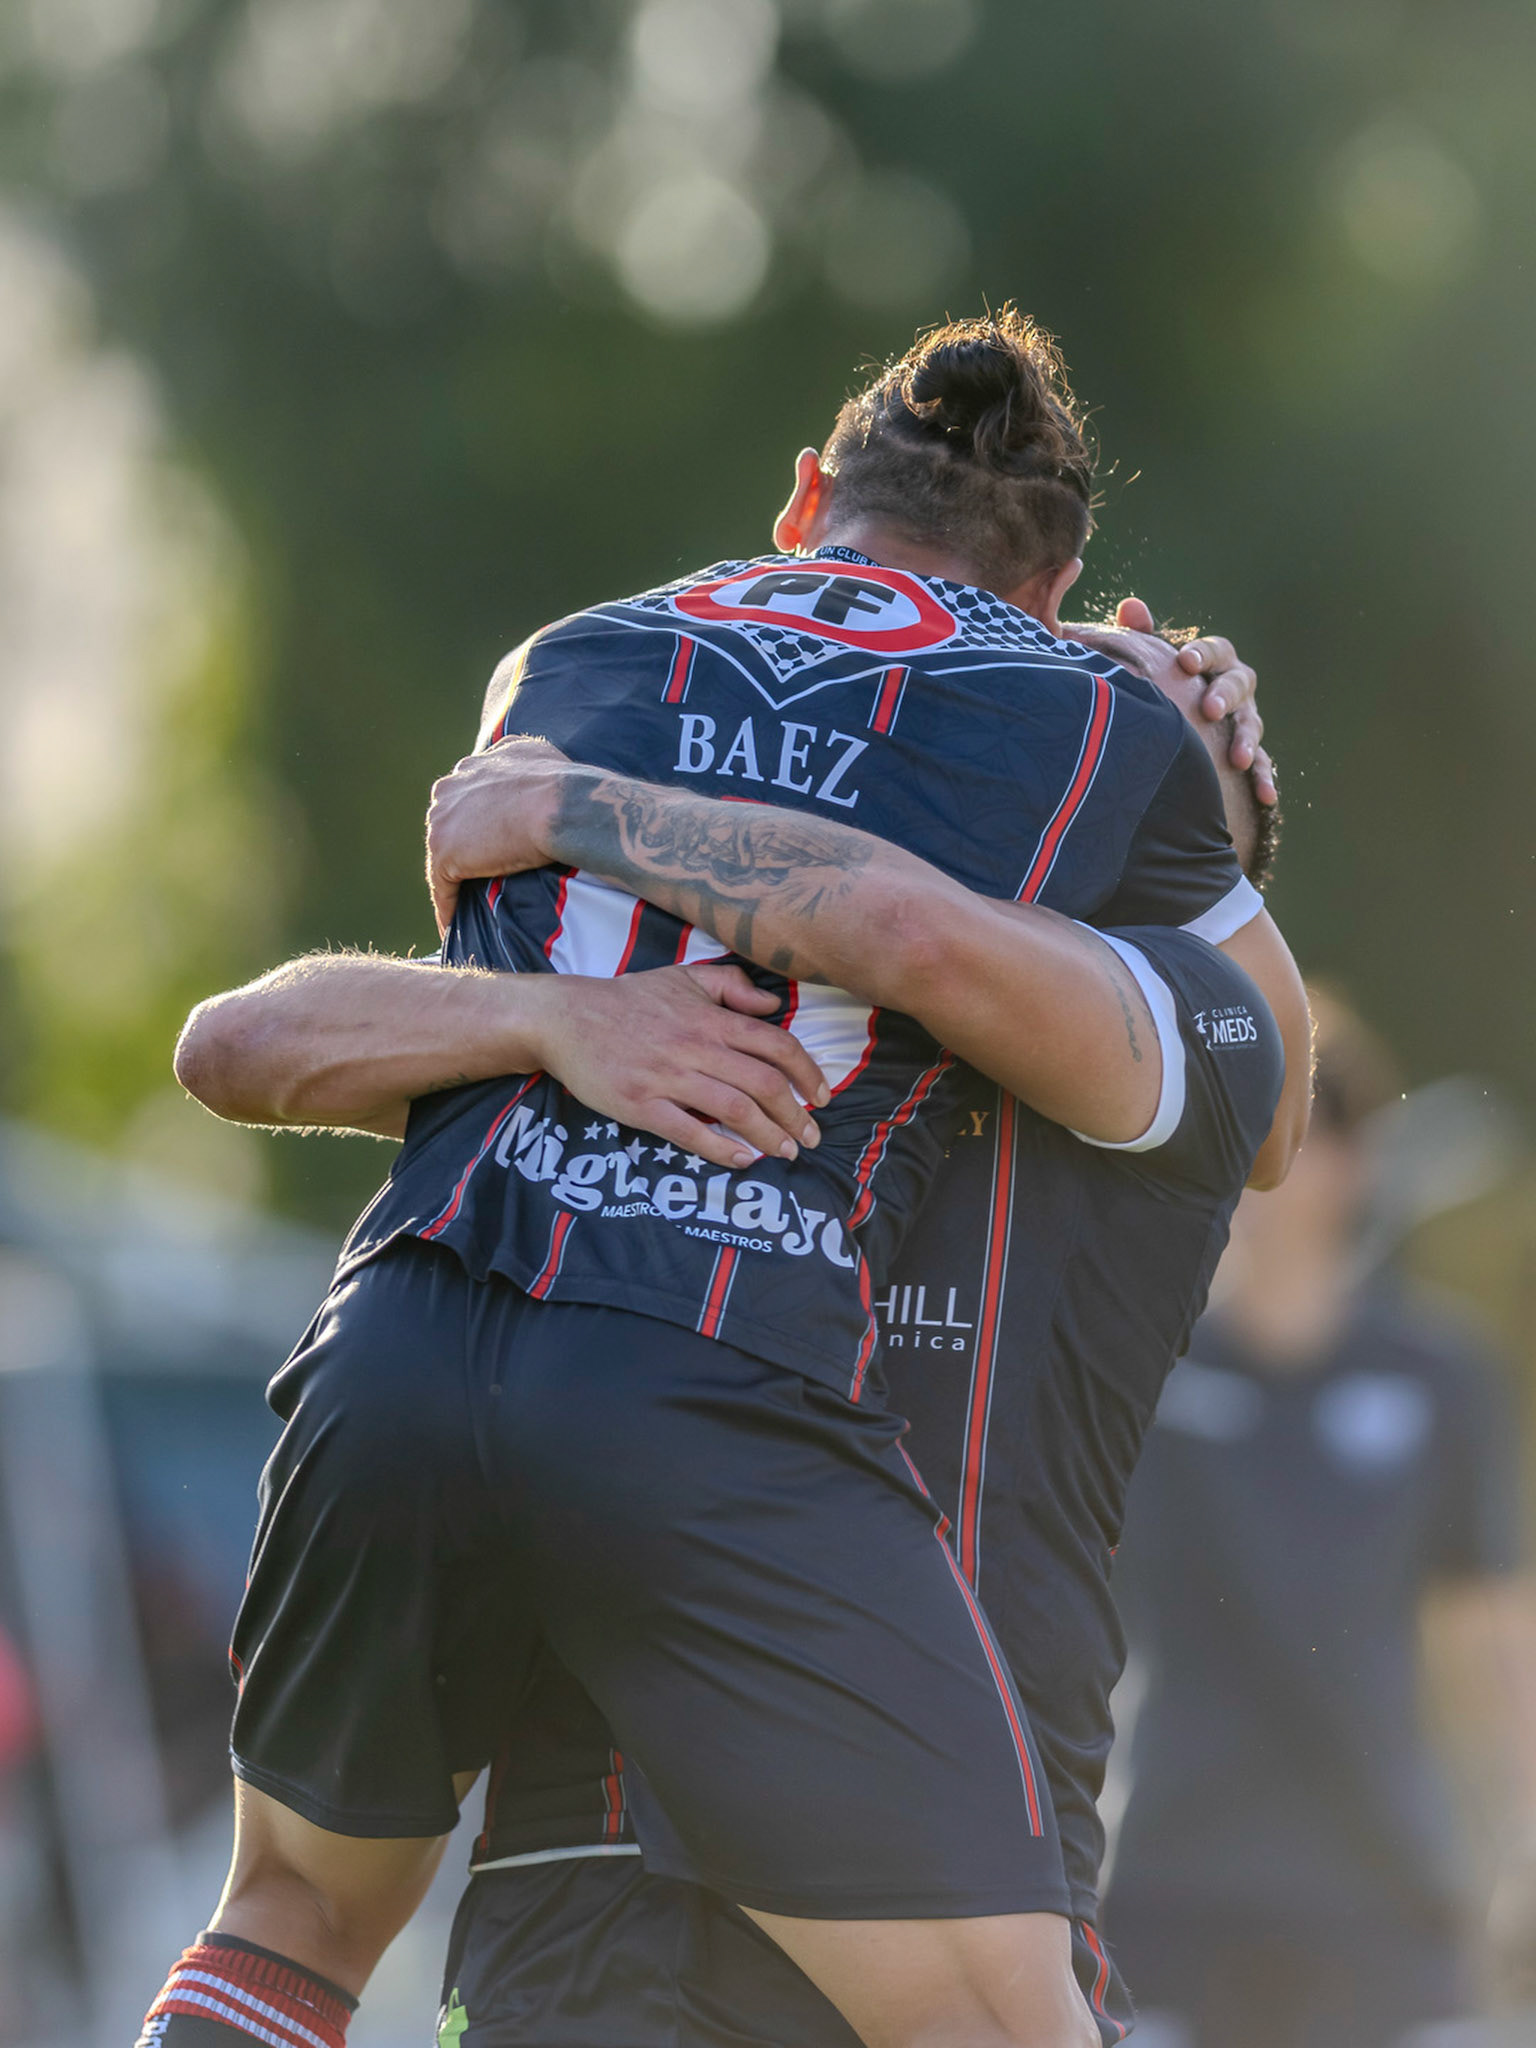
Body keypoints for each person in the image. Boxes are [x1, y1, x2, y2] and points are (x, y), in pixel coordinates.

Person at [142, 310, 1301, 2048]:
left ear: (804, 495)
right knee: (1009, 2024)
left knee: (288, 1918)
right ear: (1056, 584)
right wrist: (1163, 733)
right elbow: (1241, 1081)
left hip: (396, 1344)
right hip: (699, 1378)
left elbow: (233, 1043)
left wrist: (563, 913)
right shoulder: (1083, 724)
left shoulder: (566, 662)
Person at [1102, 991, 1536, 2048]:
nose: (1260, 1168)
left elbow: (1489, 1639)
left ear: (1355, 1159)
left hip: (1383, 1887)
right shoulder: (1133, 1366)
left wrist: (1522, 1845)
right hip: (1166, 1880)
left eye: (1296, 1128)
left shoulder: (1438, 1376)